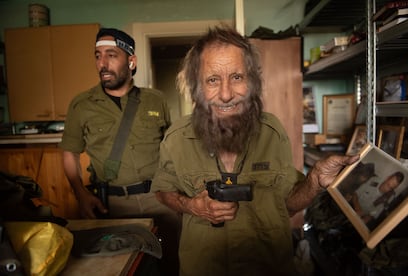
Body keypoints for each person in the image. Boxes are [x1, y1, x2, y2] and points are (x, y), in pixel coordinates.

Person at [150, 26, 359, 276]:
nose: (226, 94)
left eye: (237, 77)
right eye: (213, 80)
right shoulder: (176, 137)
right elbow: (163, 191)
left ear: (252, 81)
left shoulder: (272, 131)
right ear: (197, 86)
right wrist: (192, 205)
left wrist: (314, 181)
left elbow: (288, 204)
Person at [59, 28, 181, 275]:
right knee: (124, 268)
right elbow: (69, 152)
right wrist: (80, 194)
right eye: (97, 55)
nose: (102, 63)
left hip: (160, 200)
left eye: (111, 55)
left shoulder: (156, 100)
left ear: (131, 61)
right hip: (113, 206)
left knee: (170, 263)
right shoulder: (81, 105)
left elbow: (173, 148)